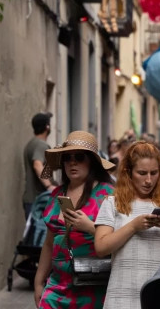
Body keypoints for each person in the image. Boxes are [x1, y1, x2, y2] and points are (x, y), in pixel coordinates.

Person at [94, 141, 160, 309]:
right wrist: (133, 227)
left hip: (158, 294)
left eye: (154, 173)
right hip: (121, 295)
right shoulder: (112, 203)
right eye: (142, 173)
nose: (148, 180)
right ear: (129, 173)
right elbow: (101, 248)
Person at [33, 131, 116, 308]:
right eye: (67, 158)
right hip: (57, 286)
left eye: (79, 157)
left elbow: (119, 239)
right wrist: (39, 282)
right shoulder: (56, 194)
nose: (72, 162)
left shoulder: (108, 194)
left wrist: (90, 228)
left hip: (94, 286)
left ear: (91, 162)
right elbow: (49, 243)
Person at [24, 112, 55, 219]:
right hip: (39, 200)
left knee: (34, 234)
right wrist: (49, 186)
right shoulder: (41, 145)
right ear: (47, 127)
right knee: (40, 234)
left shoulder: (31, 143)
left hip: (31, 200)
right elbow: (37, 164)